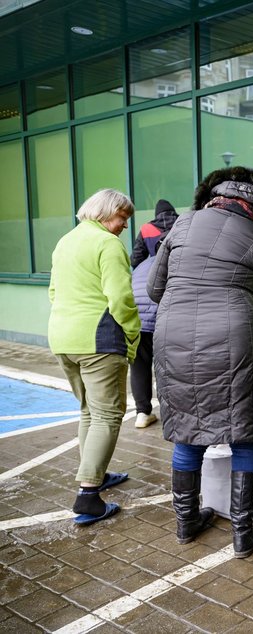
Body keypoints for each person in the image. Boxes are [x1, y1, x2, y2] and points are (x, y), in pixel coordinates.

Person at [148, 167, 253, 556]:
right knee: (245, 429)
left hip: (173, 336)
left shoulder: (182, 225)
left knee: (186, 427)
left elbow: (154, 289)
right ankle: (243, 533)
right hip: (237, 339)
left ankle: (185, 524)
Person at [48, 188, 140, 526]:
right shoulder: (107, 244)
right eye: (122, 218)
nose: (124, 226)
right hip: (99, 340)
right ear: (106, 213)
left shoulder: (65, 241)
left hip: (62, 337)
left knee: (89, 410)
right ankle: (88, 495)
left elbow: (53, 292)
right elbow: (119, 297)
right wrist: (133, 330)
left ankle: (95, 476)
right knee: (107, 415)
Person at [129, 199, 179, 429]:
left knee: (139, 363)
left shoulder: (146, 230)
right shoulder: (182, 225)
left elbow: (134, 259)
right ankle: (171, 412)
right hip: (165, 310)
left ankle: (142, 412)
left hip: (138, 312)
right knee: (167, 362)